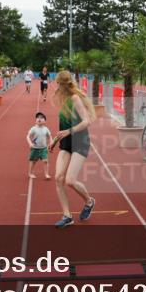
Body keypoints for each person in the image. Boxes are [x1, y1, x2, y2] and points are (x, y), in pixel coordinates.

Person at [49, 70, 96, 228]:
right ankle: (67, 216)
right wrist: (54, 140)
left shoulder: (75, 98)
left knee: (70, 180)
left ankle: (89, 202)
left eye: (58, 85)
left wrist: (69, 131)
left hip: (80, 140)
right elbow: (63, 127)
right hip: (66, 142)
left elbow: (87, 121)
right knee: (58, 178)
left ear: (63, 85)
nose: (56, 88)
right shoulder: (63, 100)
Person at [26, 112, 52, 180]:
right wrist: (30, 144)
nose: (39, 119)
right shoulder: (33, 129)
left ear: (45, 121)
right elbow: (28, 136)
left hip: (43, 148)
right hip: (35, 148)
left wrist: (51, 143)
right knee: (33, 161)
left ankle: (46, 174)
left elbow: (49, 136)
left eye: (41, 118)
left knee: (45, 161)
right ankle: (30, 173)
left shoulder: (46, 129)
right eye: (38, 118)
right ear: (35, 120)